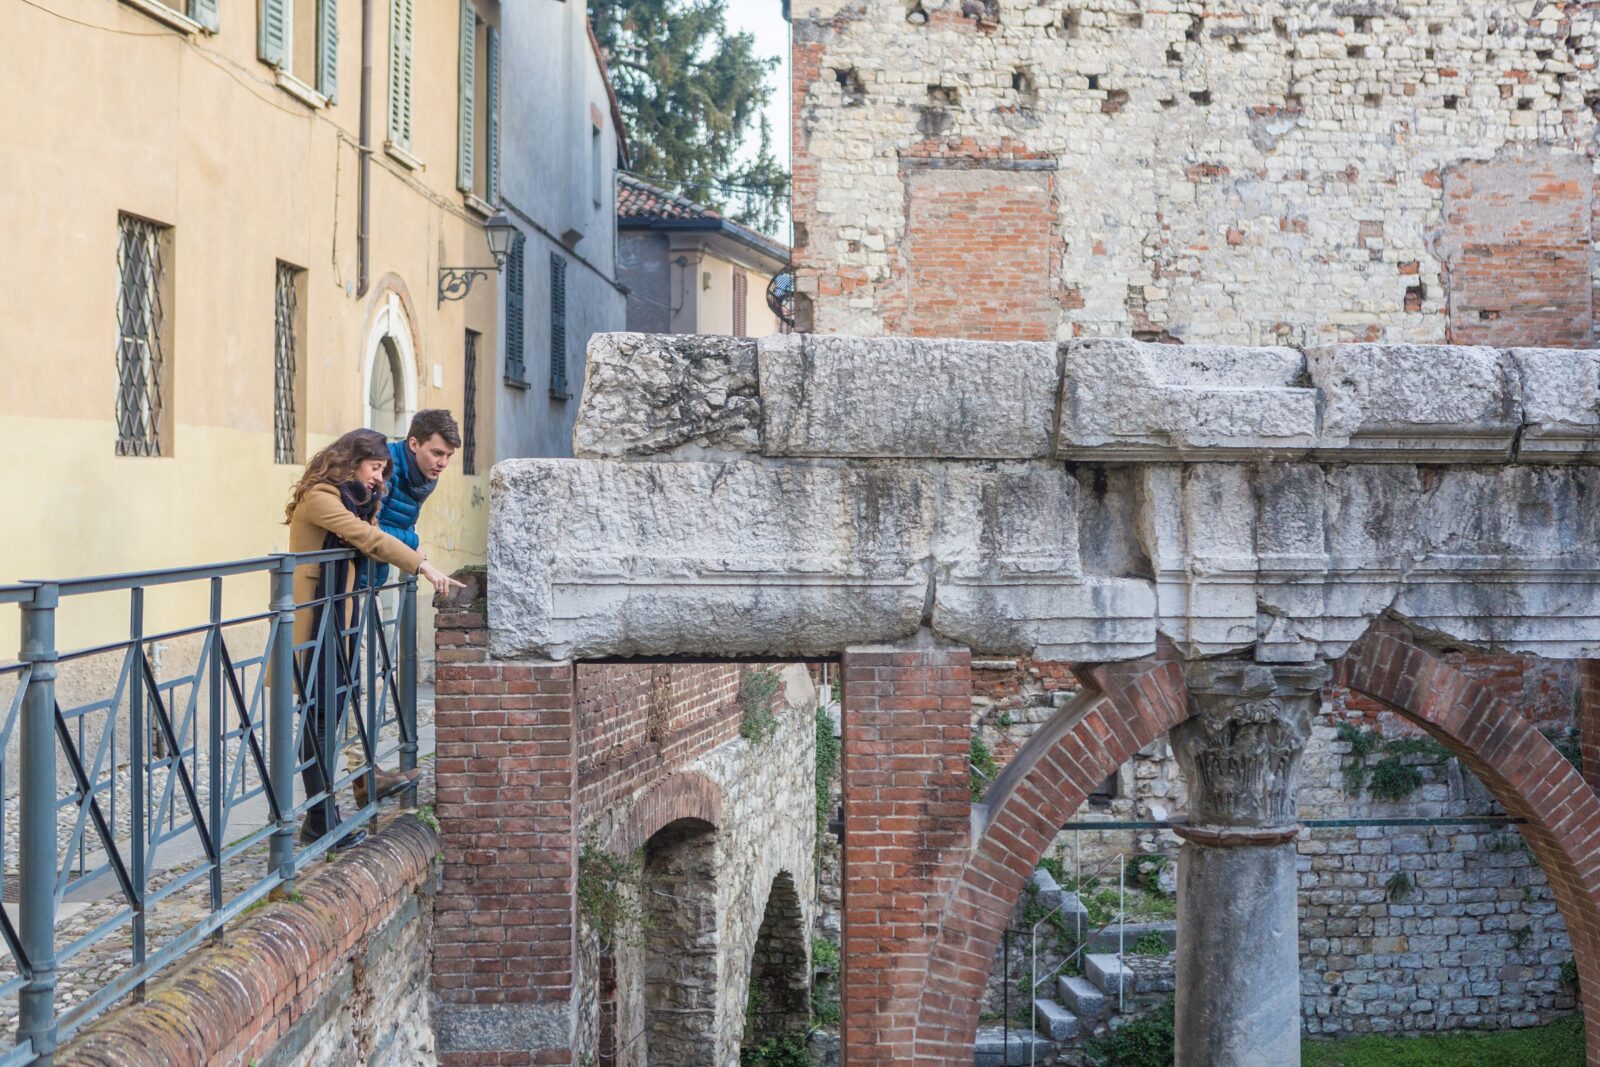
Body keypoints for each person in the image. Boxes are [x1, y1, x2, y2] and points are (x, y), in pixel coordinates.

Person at [283, 428, 461, 846]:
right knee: (320, 718)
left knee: (333, 710)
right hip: (314, 623)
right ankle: (319, 821)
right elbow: (368, 539)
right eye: (375, 468)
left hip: (337, 617)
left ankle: (325, 815)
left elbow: (369, 530)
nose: (378, 478)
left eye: (383, 470)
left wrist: (376, 493)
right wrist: (423, 566)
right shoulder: (322, 497)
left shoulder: (355, 499)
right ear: (352, 460)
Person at [358, 409, 461, 592]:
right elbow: (366, 527)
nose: (443, 463)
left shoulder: (424, 476)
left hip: (372, 579)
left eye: (448, 455)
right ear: (414, 444)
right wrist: (413, 543)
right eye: (437, 453)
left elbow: (403, 521)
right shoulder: (385, 469)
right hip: (348, 581)